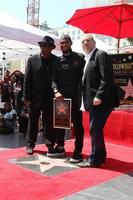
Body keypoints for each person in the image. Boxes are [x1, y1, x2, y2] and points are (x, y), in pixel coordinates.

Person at [78, 34, 120, 168]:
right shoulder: (88, 58)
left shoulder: (101, 54)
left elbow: (106, 78)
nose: (85, 43)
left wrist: (99, 96)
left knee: (94, 128)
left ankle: (94, 160)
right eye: (83, 41)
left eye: (88, 40)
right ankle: (100, 156)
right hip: (94, 101)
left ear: (94, 42)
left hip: (102, 100)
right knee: (97, 129)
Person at [51, 34, 85, 163]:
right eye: (61, 43)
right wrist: (56, 91)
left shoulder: (80, 58)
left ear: (70, 43)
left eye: (65, 42)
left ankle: (78, 151)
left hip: (76, 98)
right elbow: (53, 80)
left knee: (77, 125)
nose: (63, 45)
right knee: (60, 124)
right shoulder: (57, 61)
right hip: (62, 99)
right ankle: (60, 147)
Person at [23, 35, 60, 154]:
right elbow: (27, 79)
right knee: (33, 121)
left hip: (50, 97)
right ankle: (30, 144)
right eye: (42, 46)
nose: (43, 48)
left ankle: (50, 144)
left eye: (46, 46)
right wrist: (26, 97)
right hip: (34, 97)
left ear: (51, 48)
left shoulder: (56, 60)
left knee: (49, 122)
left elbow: (58, 79)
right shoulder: (32, 60)